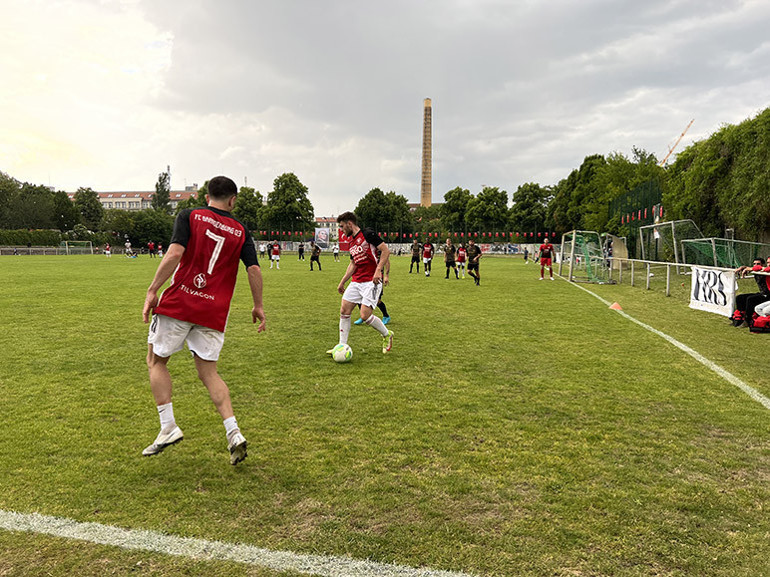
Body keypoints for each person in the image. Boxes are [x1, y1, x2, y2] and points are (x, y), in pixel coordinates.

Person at [142, 175, 266, 465]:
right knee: (209, 373)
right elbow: (254, 270)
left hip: (180, 303)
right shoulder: (241, 230)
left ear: (206, 196)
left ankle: (168, 426)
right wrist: (258, 305)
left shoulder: (190, 215)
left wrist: (152, 289)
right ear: (233, 200)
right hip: (213, 311)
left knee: (156, 361)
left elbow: (175, 252)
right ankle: (233, 432)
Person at [328, 211, 393, 354]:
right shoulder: (351, 242)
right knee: (344, 310)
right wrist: (342, 282)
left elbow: (385, 251)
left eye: (342, 226)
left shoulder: (367, 234)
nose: (341, 229)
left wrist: (378, 270)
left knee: (365, 316)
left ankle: (386, 334)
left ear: (349, 224)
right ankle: (341, 346)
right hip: (357, 281)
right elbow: (353, 264)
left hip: (372, 281)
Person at [354, 248, 391, 325]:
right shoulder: (365, 247)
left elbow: (387, 262)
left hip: (377, 278)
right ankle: (363, 315)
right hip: (366, 277)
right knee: (361, 297)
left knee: (377, 300)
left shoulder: (380, 247)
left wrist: (386, 276)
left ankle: (386, 316)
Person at [732, 258, 770, 327]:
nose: (755, 265)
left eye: (758, 264)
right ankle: (739, 318)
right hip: (762, 293)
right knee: (740, 297)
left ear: (762, 264)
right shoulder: (757, 270)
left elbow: (762, 268)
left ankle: (748, 320)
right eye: (754, 264)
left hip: (767, 295)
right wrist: (743, 268)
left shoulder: (765, 270)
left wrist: (750, 269)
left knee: (750, 299)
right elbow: (753, 268)